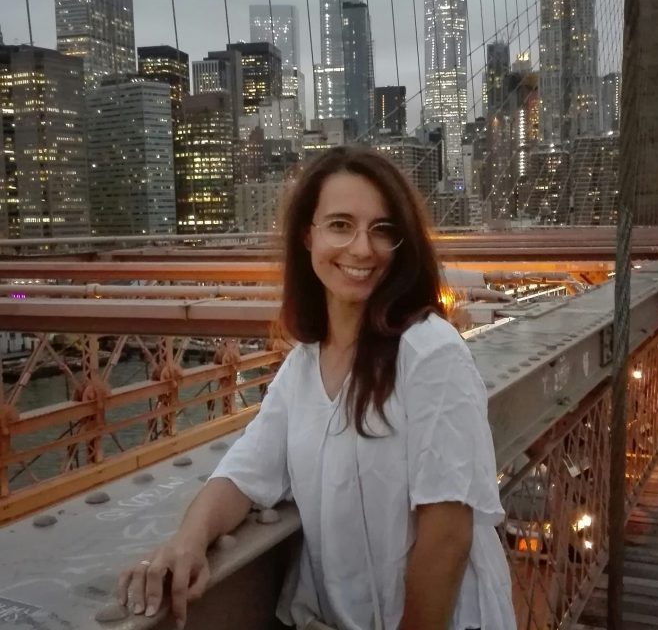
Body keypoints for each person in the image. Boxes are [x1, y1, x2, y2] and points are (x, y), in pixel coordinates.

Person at [118, 146, 516, 630]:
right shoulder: (303, 367)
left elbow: (447, 534)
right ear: (308, 236)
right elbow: (243, 474)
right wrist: (188, 540)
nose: (361, 249)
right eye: (340, 225)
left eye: (382, 229)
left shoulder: (430, 352)